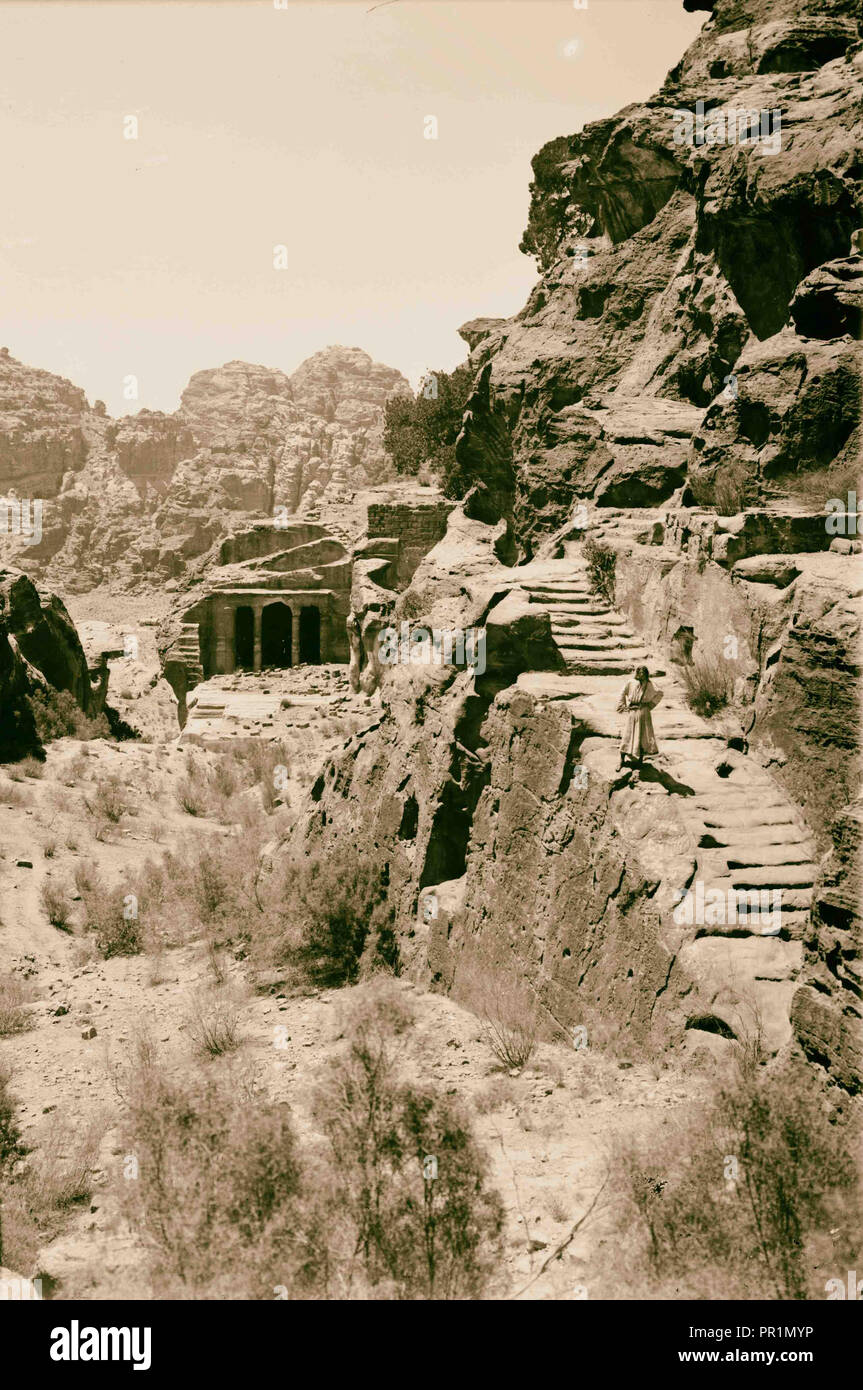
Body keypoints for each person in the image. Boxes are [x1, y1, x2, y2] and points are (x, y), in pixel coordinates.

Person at [617, 665, 662, 772]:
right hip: (633, 711)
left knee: (643, 736)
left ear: (646, 673)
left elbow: (660, 693)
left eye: (643, 672)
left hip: (644, 712)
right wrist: (622, 705)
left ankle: (640, 761)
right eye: (639, 672)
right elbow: (622, 693)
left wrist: (651, 705)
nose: (641, 674)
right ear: (637, 673)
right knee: (627, 735)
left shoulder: (650, 684)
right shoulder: (631, 682)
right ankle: (621, 760)